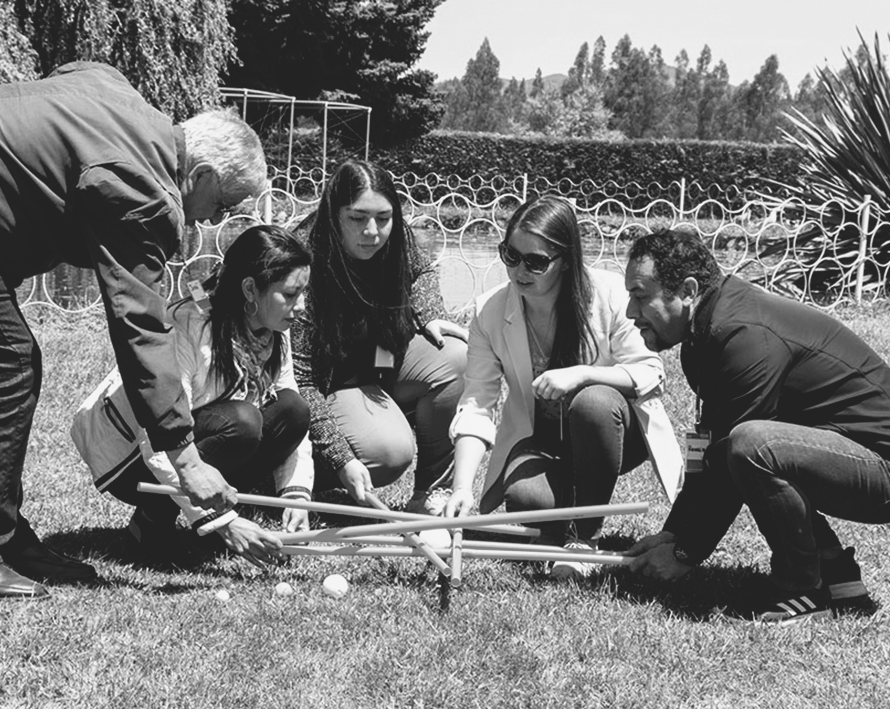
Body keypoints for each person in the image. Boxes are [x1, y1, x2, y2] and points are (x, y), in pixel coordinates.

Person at [0, 62, 267, 598]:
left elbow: (72, 71)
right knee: (5, 366)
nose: (207, 221)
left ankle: (1, 534)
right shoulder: (146, 190)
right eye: (219, 205)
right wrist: (185, 457)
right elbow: (141, 326)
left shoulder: (118, 92)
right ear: (199, 174)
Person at [623, 230, 889, 622]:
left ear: (689, 290)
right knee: (748, 447)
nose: (631, 312)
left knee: (753, 447)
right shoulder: (707, 332)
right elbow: (711, 452)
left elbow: (733, 459)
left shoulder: (741, 333)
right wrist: (674, 536)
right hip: (849, 456)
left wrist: (685, 555)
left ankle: (803, 590)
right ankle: (837, 576)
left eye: (641, 295)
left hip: (881, 468)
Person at [442, 196, 682, 578]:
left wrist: (584, 374)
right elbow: (477, 403)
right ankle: (562, 515)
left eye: (536, 261)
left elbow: (651, 373)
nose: (520, 270)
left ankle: (585, 539)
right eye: (511, 255)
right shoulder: (488, 310)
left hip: (614, 430)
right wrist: (461, 488)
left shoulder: (610, 295)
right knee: (526, 501)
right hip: (542, 440)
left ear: (566, 260)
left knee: (593, 402)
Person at [72, 224, 313, 567]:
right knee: (243, 422)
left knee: (293, 411)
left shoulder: (272, 330)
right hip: (130, 457)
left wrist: (296, 495)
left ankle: (213, 509)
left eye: (303, 292)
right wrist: (224, 524)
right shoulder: (189, 327)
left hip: (197, 438)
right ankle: (152, 523)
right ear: (250, 289)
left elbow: (292, 417)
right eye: (290, 295)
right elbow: (154, 436)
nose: (301, 306)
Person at [291, 159, 468, 513]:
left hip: (379, 363)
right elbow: (301, 384)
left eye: (383, 218)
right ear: (333, 212)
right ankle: (298, 475)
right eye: (357, 218)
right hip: (329, 385)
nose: (372, 231)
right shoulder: (303, 262)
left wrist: (430, 313)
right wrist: (341, 457)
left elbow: (421, 271)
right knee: (390, 453)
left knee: (455, 355)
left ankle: (432, 492)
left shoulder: (395, 238)